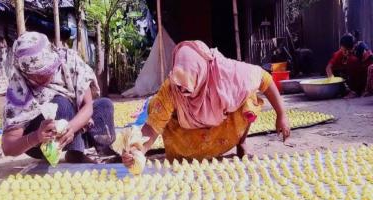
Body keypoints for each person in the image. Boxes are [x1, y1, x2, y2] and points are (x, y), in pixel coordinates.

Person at [122, 40, 290, 166]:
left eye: (187, 86)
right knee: (155, 106)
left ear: (201, 73)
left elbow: (264, 79)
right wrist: (137, 149)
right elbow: (152, 127)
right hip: (188, 131)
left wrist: (281, 115)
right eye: (178, 86)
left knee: (249, 100)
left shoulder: (226, 72)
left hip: (223, 127)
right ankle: (186, 156)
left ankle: (241, 142)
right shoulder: (172, 87)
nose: (182, 91)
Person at [1, 32, 115, 163]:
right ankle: (75, 154)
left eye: (47, 70)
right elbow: (8, 147)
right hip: (43, 142)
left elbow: (87, 106)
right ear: (24, 72)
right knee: (60, 103)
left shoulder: (69, 61)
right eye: (36, 74)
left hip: (73, 128)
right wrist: (36, 137)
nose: (44, 77)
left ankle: (104, 150)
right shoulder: (18, 90)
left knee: (104, 105)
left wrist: (71, 127)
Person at [326, 33, 373, 98]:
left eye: (349, 50)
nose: (346, 53)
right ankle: (346, 90)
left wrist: (367, 90)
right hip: (350, 80)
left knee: (352, 60)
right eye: (344, 50)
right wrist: (332, 79)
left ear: (354, 46)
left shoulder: (363, 51)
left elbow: (370, 70)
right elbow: (329, 67)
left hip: (364, 79)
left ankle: (356, 91)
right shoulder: (340, 53)